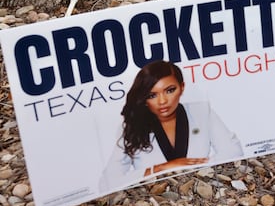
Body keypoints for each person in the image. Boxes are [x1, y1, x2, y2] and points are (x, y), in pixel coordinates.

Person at [99, 60, 243, 191]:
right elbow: (107, 183)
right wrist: (161, 169)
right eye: (152, 95)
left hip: (201, 192)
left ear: (182, 87)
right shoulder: (132, 127)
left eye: (169, 90)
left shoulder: (201, 111)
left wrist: (195, 168)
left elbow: (233, 151)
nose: (162, 101)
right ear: (144, 98)